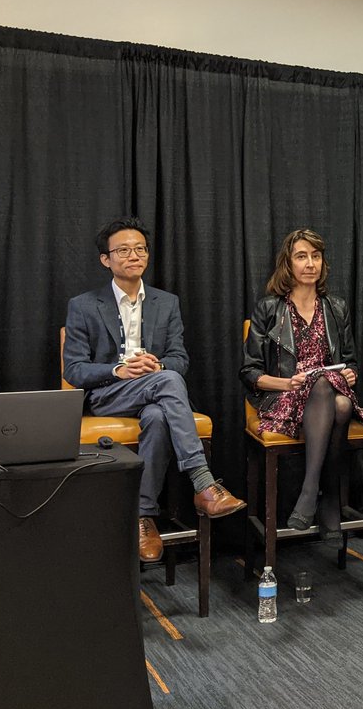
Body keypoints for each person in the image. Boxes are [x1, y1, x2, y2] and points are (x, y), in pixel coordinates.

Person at [64, 217, 246, 564]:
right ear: (106, 259)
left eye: (140, 249)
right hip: (108, 395)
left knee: (160, 413)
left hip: (156, 394)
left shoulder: (167, 302)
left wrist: (157, 365)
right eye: (123, 251)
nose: (134, 256)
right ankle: (203, 483)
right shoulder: (84, 305)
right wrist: (119, 369)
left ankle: (142, 517)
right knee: (170, 383)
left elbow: (180, 358)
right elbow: (73, 370)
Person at [240, 228, 363, 540]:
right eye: (302, 256)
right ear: (288, 264)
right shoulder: (270, 308)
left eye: (316, 256)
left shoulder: (336, 308)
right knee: (337, 401)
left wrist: (351, 373)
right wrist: (286, 383)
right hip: (286, 394)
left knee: (331, 389)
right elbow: (249, 371)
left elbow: (350, 361)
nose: (310, 263)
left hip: (330, 388)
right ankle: (325, 495)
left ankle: (312, 492)